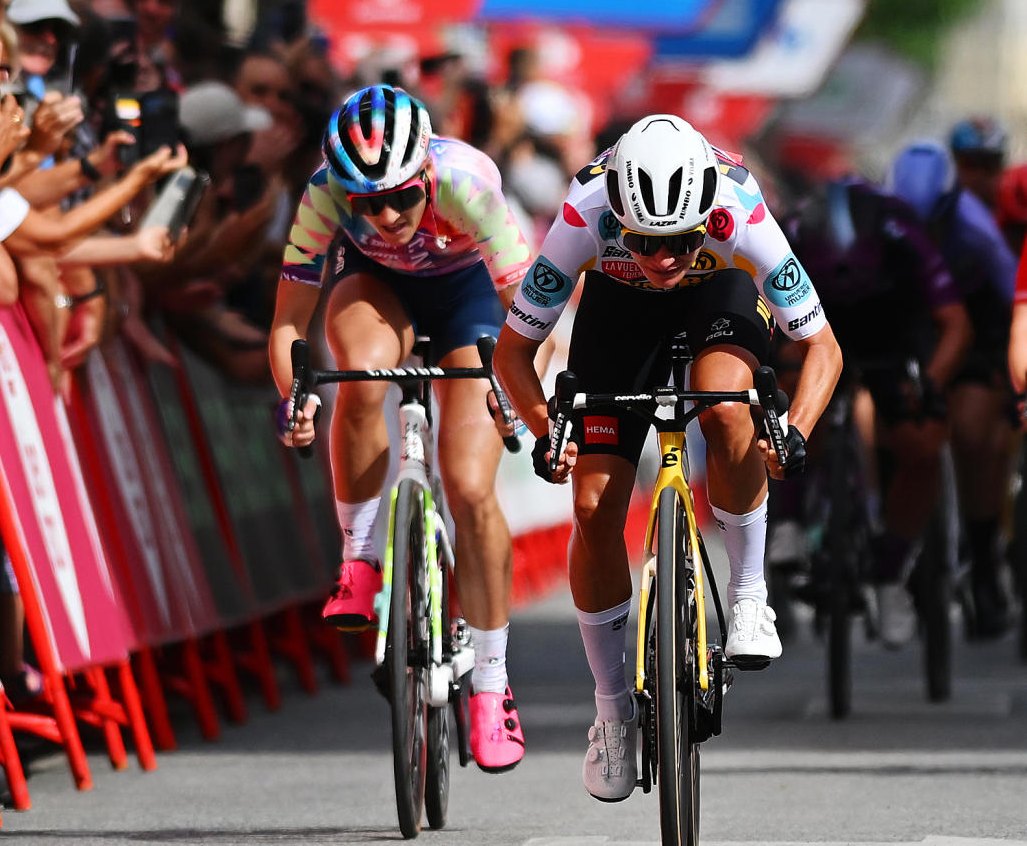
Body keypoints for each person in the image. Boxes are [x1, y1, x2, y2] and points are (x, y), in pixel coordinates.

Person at [493, 114, 842, 802]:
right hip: (617, 316)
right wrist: (544, 430)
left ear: (705, 215)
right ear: (617, 212)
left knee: (726, 407)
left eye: (680, 241)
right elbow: (511, 352)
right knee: (593, 507)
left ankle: (748, 595)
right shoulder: (582, 211)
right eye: (647, 242)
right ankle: (613, 710)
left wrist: (795, 427)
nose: (663, 260)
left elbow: (824, 347)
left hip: (719, 299)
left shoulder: (740, 206)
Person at [270, 84, 533, 772]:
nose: (385, 215)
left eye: (400, 198)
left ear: (426, 176)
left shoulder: (469, 183)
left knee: (470, 487)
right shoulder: (324, 189)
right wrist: (295, 396)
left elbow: (531, 320)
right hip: (377, 289)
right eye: (366, 203)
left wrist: (515, 391)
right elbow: (289, 324)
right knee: (356, 372)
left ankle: (491, 684)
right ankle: (359, 557)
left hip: (470, 297)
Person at [782, 177, 972, 647]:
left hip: (893, 332)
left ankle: (892, 574)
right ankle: (790, 516)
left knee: (922, 443)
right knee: (789, 395)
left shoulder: (900, 230)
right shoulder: (793, 230)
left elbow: (954, 324)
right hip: (818, 324)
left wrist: (929, 387)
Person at [888, 141, 1017, 639]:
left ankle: (983, 562)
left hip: (974, 335)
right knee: (877, 420)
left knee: (970, 434)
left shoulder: (976, 231)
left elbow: (1015, 301)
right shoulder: (882, 219)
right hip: (906, 328)